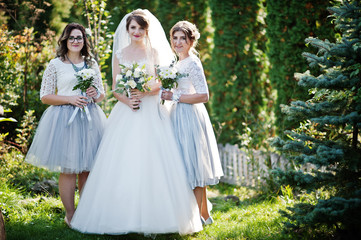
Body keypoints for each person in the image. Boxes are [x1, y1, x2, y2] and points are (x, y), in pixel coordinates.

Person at [70, 9, 202, 235]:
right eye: (133, 28)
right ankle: (119, 215)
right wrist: (128, 100)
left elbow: (163, 80)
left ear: (146, 30)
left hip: (151, 109)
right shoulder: (120, 53)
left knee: (156, 159)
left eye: (141, 28)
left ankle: (163, 217)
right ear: (127, 30)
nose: (137, 32)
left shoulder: (154, 52)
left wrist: (145, 91)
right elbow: (114, 87)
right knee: (123, 159)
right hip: (127, 110)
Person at [25, 23, 106, 226]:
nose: (76, 41)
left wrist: (94, 94)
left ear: (84, 41)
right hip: (65, 120)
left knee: (88, 169)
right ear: (65, 41)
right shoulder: (56, 64)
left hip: (90, 119)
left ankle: (87, 214)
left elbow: (102, 94)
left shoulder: (91, 63)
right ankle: (70, 215)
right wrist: (70, 99)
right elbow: (45, 96)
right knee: (69, 169)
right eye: (72, 38)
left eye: (79, 37)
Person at [161, 20, 224, 225]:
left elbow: (204, 95)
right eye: (175, 38)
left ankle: (198, 217)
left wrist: (175, 96)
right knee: (185, 166)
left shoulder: (193, 62)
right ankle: (204, 215)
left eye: (183, 39)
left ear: (191, 41)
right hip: (176, 115)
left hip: (189, 116)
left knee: (194, 167)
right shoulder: (176, 63)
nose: (178, 42)